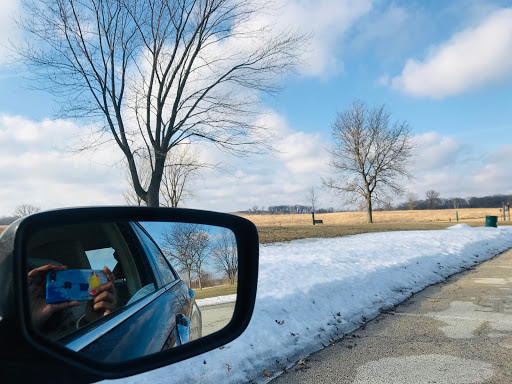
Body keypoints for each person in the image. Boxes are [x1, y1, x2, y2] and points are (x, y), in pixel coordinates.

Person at [28, 263, 117, 340]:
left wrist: (93, 322)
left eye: (63, 276)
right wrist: (28, 317)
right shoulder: (30, 311)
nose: (47, 287)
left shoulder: (77, 309)